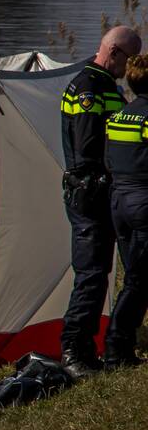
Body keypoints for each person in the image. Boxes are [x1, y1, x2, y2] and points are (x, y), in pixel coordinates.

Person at [59, 25, 142, 379]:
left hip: (97, 193)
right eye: (129, 58)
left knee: (100, 274)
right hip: (88, 193)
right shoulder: (90, 88)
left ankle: (91, 350)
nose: (129, 68)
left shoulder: (102, 85)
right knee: (91, 276)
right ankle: (74, 351)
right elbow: (88, 147)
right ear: (115, 53)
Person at [103, 53, 148, 368]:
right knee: (138, 280)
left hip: (119, 202)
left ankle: (122, 344)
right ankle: (117, 347)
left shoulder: (120, 114)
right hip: (144, 203)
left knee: (135, 276)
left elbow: (110, 158)